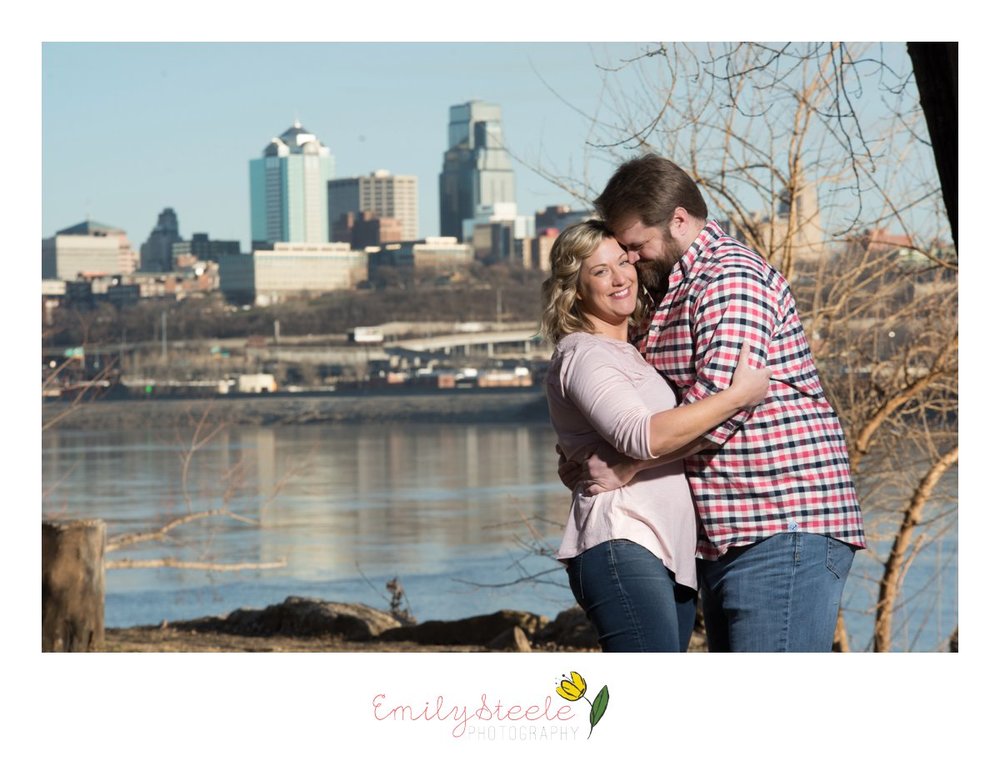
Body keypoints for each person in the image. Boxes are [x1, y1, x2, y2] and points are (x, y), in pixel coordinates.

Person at [571, 153, 867, 652]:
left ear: (679, 220)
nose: (633, 259)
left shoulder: (730, 280)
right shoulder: (671, 291)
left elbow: (721, 409)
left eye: (637, 245)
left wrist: (627, 467)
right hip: (728, 533)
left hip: (781, 523)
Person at [541, 219, 771, 652]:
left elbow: (638, 444)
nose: (619, 277)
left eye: (623, 262)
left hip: (665, 552)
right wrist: (737, 396)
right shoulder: (585, 353)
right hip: (624, 541)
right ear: (574, 290)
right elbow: (640, 436)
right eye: (600, 270)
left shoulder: (630, 354)